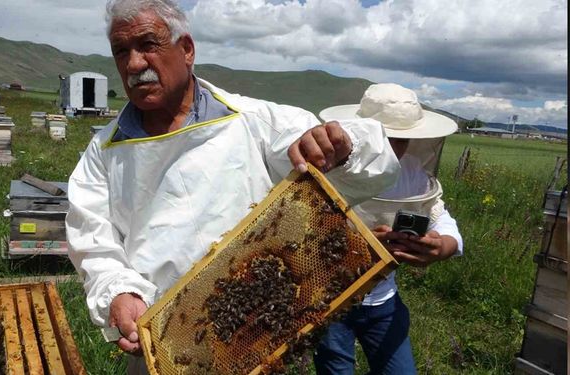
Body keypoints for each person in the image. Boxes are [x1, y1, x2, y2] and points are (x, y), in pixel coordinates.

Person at [65, 1, 400, 373]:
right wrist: (119, 292)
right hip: (163, 349)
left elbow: (374, 167)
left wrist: (342, 145)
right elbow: (94, 242)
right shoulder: (102, 152)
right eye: (121, 51)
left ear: (187, 49)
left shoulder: (257, 123)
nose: (134, 64)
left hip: (258, 341)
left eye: (148, 44)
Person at [315, 83, 464, 374]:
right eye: (388, 137)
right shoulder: (331, 166)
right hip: (330, 299)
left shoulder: (413, 173)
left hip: (384, 300)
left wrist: (442, 245)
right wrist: (359, 245)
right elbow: (302, 232)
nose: (395, 147)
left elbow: (440, 217)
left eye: (404, 139)